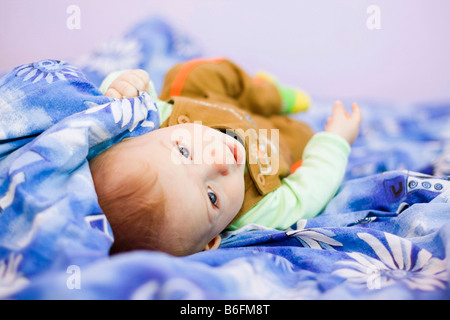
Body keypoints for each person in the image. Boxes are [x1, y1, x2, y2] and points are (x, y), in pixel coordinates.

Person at [89, 58, 362, 256]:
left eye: (184, 152)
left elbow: (124, 103)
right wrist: (336, 140)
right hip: (274, 140)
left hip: (214, 103)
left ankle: (271, 94)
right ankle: (277, 109)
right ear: (211, 242)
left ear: (145, 132)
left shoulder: (156, 120)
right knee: (302, 139)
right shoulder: (257, 209)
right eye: (211, 197)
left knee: (193, 74)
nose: (219, 159)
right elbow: (309, 192)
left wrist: (123, 84)